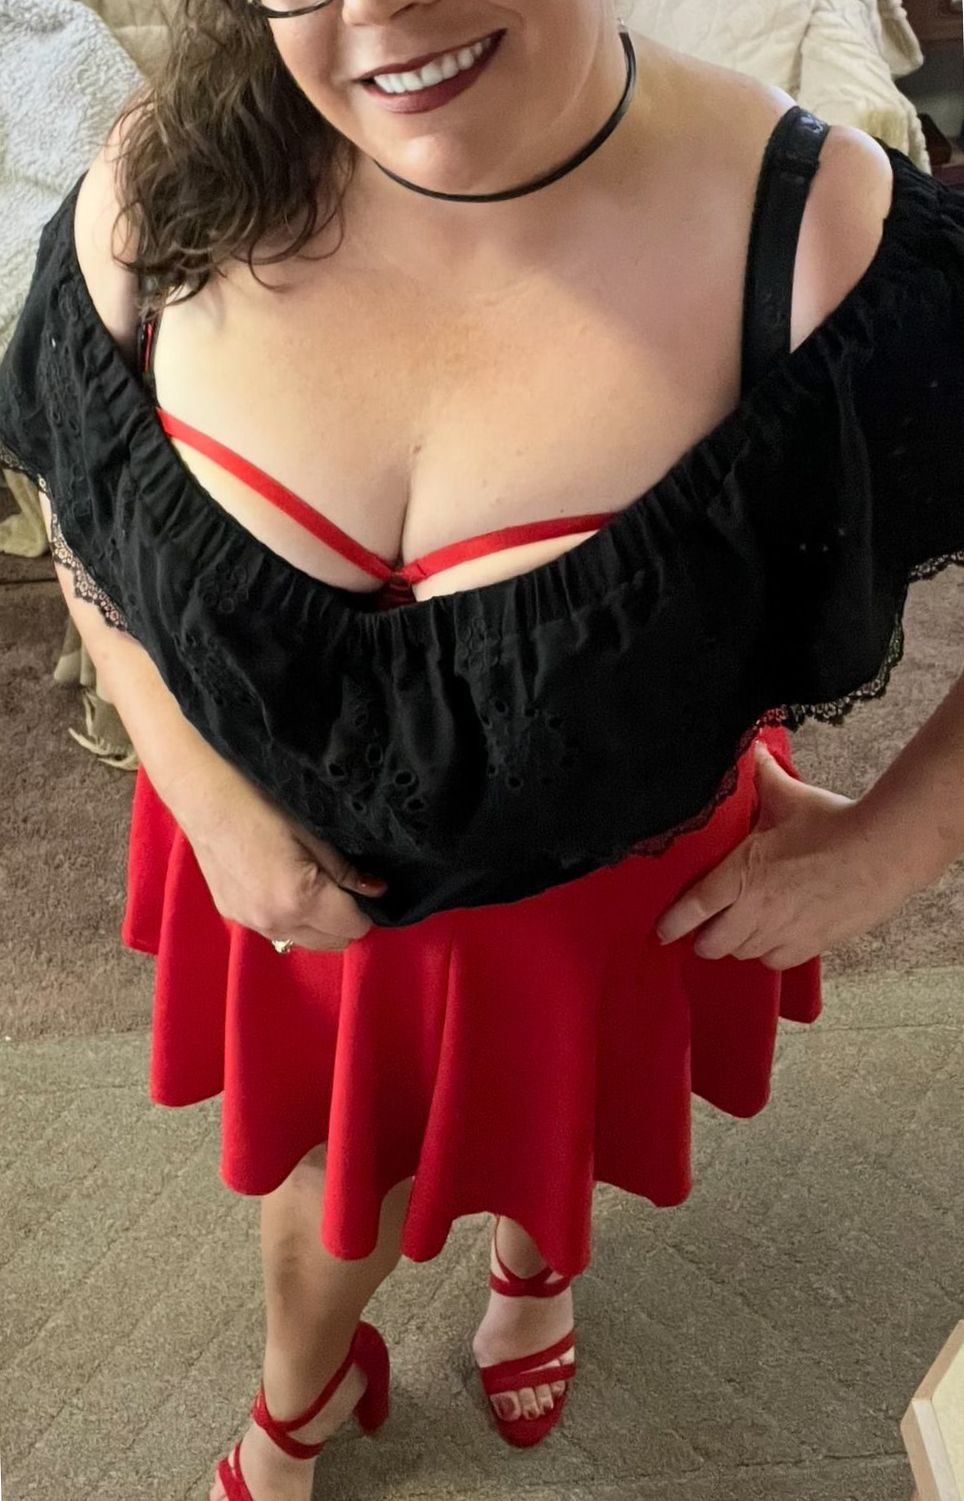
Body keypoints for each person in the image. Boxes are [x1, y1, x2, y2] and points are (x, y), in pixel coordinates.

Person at [2, 1, 964, 1497]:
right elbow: (75, 477)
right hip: (287, 882)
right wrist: (199, 788)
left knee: (551, 1132)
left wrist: (897, 847)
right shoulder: (168, 170)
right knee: (328, 1201)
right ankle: (298, 1405)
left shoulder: (813, 226)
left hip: (606, 875)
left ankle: (534, 1266)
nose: (378, 8)